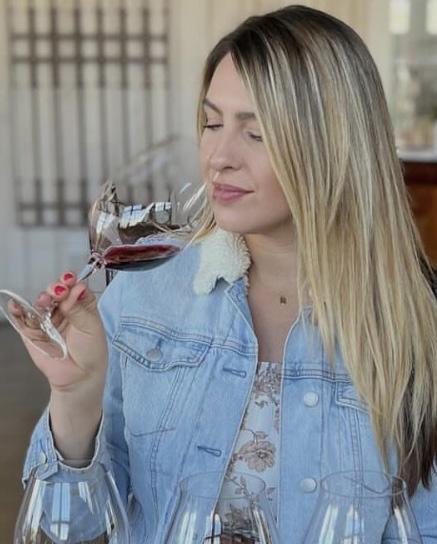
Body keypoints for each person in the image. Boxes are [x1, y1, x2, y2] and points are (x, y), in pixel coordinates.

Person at [20, 4, 437, 542]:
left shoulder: (415, 330)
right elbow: (66, 526)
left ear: (334, 145)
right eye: (212, 123)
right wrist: (76, 396)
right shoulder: (145, 294)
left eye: (255, 133)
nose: (219, 157)